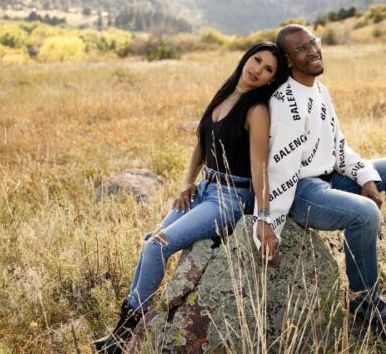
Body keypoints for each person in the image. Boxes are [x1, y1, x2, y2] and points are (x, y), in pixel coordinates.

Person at [254, 25, 386, 328]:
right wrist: (267, 222)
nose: (313, 51)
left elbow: (339, 146)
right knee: (365, 213)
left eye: (313, 43)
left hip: (328, 179)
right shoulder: (285, 102)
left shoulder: (319, 91)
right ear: (288, 60)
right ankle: (363, 302)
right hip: (300, 193)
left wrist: (366, 177)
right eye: (301, 49)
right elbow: (278, 172)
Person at [94, 42, 288, 353]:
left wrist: (264, 217)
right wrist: (187, 183)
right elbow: (202, 143)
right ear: (246, 58)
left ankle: (124, 336)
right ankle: (121, 335)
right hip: (203, 189)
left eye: (268, 70)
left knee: (157, 248)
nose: (258, 70)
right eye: (257, 60)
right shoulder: (225, 95)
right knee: (150, 243)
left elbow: (259, 168)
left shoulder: (257, 110)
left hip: (229, 198)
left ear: (271, 81)